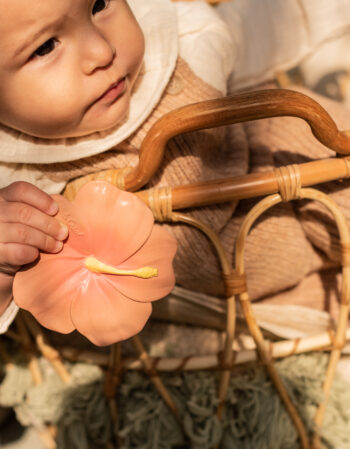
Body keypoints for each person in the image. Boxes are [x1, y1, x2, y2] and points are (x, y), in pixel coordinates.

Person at [0, 0, 350, 335]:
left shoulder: (179, 43)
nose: (102, 52)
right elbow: (33, 290)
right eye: (45, 47)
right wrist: (5, 268)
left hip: (286, 174)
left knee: (313, 141)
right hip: (225, 301)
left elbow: (277, 20)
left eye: (99, 4)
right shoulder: (18, 176)